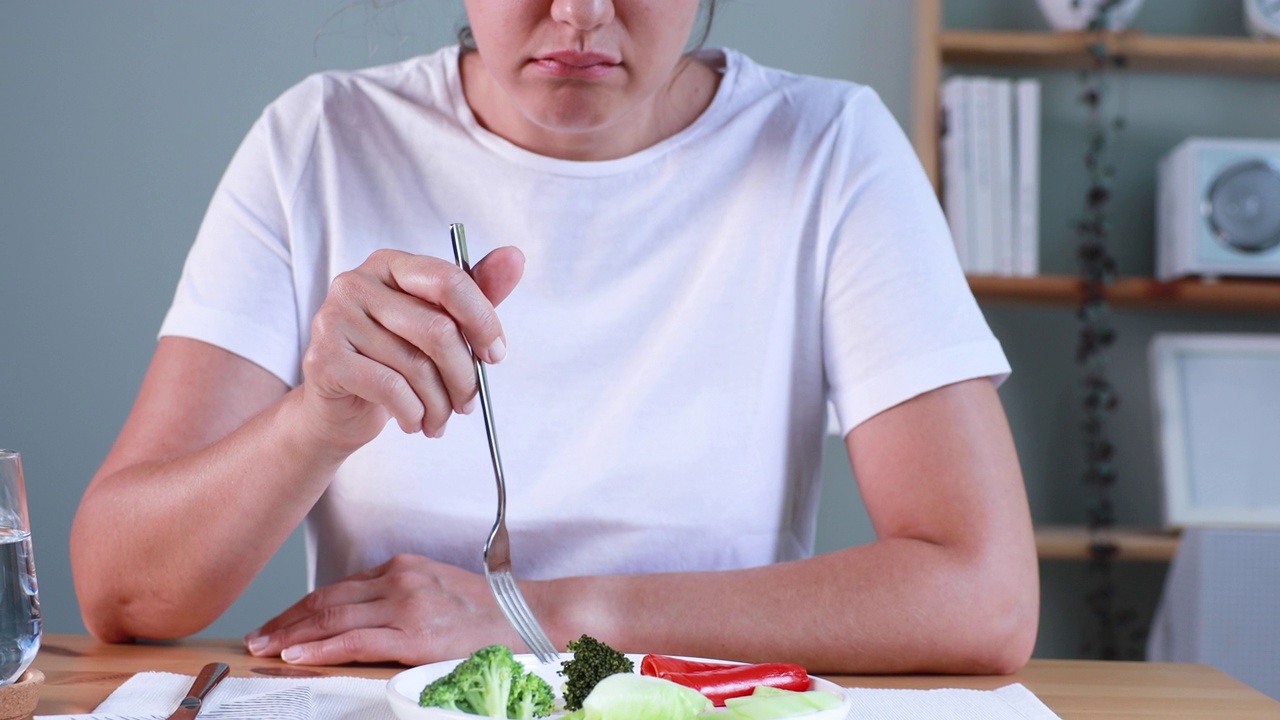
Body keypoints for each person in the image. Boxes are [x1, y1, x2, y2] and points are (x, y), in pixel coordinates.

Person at [70, 0, 1039, 675]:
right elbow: (122, 594)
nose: (577, 12)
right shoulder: (317, 140)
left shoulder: (830, 149)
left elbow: (983, 595)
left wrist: (535, 616)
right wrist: (313, 421)